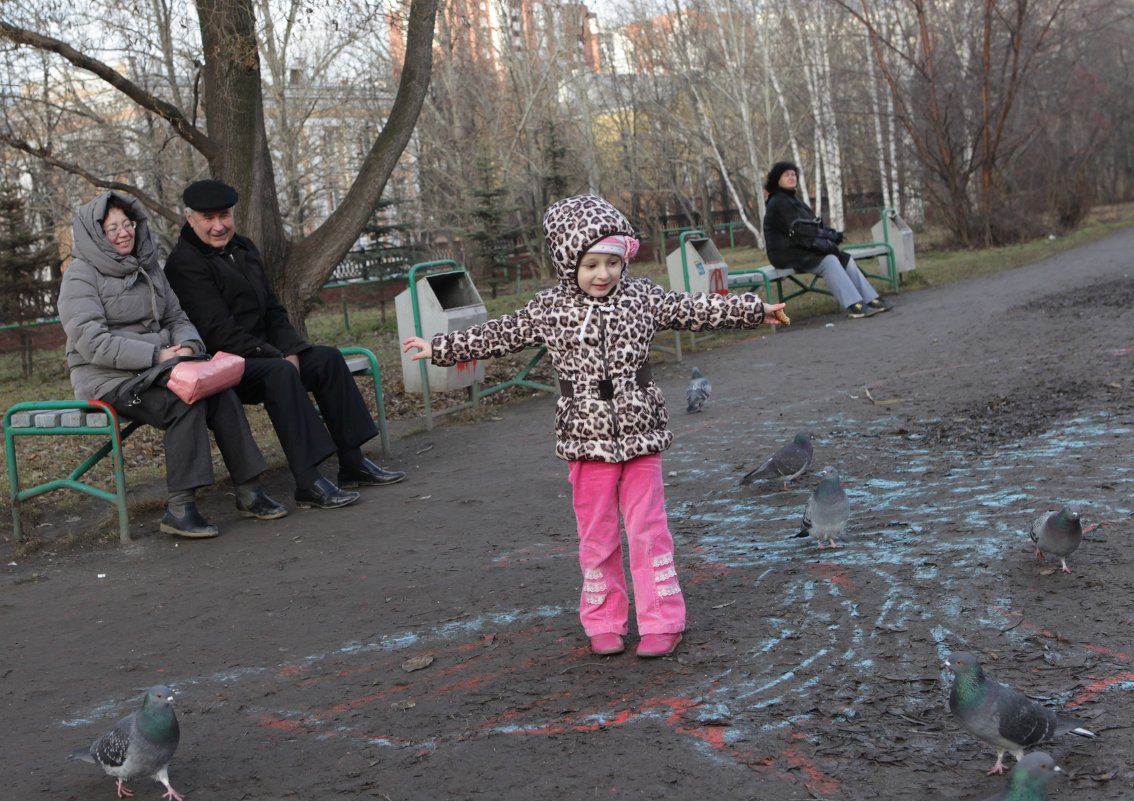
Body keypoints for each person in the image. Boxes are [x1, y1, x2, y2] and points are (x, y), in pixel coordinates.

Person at [403, 194, 786, 658]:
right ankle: (604, 620)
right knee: (598, 535)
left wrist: (753, 310)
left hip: (641, 432)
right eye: (590, 264)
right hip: (586, 440)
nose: (602, 274)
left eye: (611, 262)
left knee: (648, 530)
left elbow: (697, 309)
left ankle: (662, 619)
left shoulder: (642, 297)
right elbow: (499, 333)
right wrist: (440, 348)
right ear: (569, 265)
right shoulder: (550, 308)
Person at [164, 179, 405, 511]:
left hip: (268, 355)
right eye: (209, 218)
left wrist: (290, 349)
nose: (219, 225)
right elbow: (218, 332)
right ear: (190, 218)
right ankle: (308, 481)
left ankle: (353, 463)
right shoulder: (184, 263)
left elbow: (273, 310)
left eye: (225, 215)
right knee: (281, 374)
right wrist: (278, 357)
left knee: (327, 360)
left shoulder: (244, 248)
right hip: (226, 363)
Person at [58, 191, 286, 539]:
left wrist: (191, 345)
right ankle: (180, 508)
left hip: (163, 369)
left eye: (128, 224)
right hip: (110, 382)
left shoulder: (149, 266)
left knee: (219, 391)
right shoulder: (80, 276)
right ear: (95, 234)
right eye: (112, 228)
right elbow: (93, 343)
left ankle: (250, 490)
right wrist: (158, 353)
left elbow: (177, 315)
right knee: (183, 400)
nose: (123, 233)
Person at [763, 161, 893, 319]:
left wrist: (831, 233)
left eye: (793, 174)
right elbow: (798, 230)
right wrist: (824, 237)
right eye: (786, 175)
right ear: (777, 179)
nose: (791, 177)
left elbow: (813, 223)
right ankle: (854, 304)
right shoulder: (777, 202)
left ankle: (870, 299)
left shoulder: (794, 200)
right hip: (785, 252)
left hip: (801, 247)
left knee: (843, 257)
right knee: (829, 260)